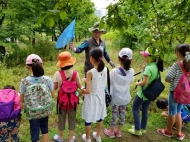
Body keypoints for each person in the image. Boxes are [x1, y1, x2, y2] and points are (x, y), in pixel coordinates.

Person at [157, 44, 190, 141]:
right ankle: (179, 134)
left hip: (175, 93)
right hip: (185, 94)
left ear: (179, 53)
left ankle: (168, 131)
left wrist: (175, 81)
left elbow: (167, 78)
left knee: (171, 112)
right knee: (178, 112)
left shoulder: (177, 65)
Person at [128, 48, 163, 136]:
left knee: (135, 108)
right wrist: (144, 69)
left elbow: (144, 82)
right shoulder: (155, 66)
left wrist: (137, 83)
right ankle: (142, 128)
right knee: (144, 110)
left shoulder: (149, 68)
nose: (144, 57)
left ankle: (137, 130)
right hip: (150, 94)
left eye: (145, 56)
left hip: (142, 93)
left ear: (151, 57)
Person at [20, 54, 54, 142]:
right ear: (41, 65)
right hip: (45, 110)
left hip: (32, 112)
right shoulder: (47, 80)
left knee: (34, 131)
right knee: (44, 128)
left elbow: (21, 100)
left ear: (27, 67)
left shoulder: (24, 82)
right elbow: (53, 95)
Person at [103, 48, 134, 138]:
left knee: (114, 114)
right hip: (125, 97)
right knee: (122, 114)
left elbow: (110, 82)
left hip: (115, 97)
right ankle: (118, 131)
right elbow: (130, 80)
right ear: (130, 60)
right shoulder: (131, 72)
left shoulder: (114, 72)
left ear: (118, 58)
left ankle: (111, 132)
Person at [52, 52, 82, 142]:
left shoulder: (58, 74)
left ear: (61, 64)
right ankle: (70, 138)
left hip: (62, 101)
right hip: (73, 101)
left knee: (61, 119)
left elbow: (55, 87)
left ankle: (60, 138)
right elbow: (80, 86)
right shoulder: (75, 74)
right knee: (72, 119)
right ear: (71, 63)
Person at [81, 48, 107, 142]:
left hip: (92, 98)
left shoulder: (90, 72)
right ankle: (98, 136)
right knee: (100, 117)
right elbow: (99, 81)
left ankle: (87, 138)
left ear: (91, 58)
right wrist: (87, 80)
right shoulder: (105, 69)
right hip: (101, 96)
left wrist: (81, 89)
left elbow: (88, 91)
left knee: (88, 118)